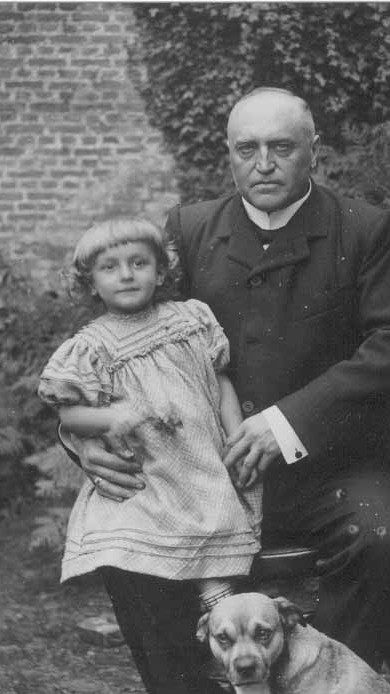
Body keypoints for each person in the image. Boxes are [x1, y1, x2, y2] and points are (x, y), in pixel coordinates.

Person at [68, 87, 390, 694]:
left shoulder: (365, 229)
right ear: (227, 152)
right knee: (129, 557)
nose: (263, 165)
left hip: (326, 462)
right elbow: (125, 342)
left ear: (312, 150)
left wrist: (288, 420)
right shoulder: (192, 230)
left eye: (282, 148)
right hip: (206, 472)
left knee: (384, 535)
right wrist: (86, 443)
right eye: (245, 149)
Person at [38, 218, 263, 636]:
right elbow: (69, 415)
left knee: (210, 506)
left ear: (160, 272)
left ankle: (222, 615)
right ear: (90, 284)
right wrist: (112, 416)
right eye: (110, 267)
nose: (126, 275)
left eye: (139, 262)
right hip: (150, 468)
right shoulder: (91, 347)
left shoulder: (192, 319)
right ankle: (214, 609)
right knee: (153, 525)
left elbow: (221, 381)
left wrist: (236, 435)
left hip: (201, 457)